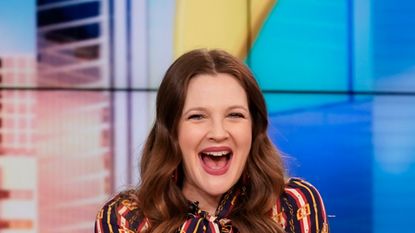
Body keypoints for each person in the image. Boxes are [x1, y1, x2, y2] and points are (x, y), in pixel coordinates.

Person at [95, 49, 329, 233]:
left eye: (235, 115)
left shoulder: (294, 204)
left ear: (253, 128)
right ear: (172, 132)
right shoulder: (124, 218)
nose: (218, 132)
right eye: (197, 116)